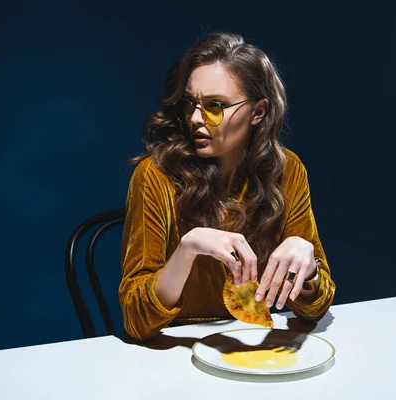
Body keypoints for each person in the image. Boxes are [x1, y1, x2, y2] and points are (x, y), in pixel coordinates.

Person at [119, 32, 335, 341]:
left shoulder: (287, 171)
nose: (195, 118)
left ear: (258, 112)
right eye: (190, 103)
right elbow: (136, 320)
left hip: (253, 347)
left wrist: (308, 263)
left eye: (215, 105)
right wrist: (188, 247)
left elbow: (315, 310)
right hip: (174, 350)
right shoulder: (156, 175)